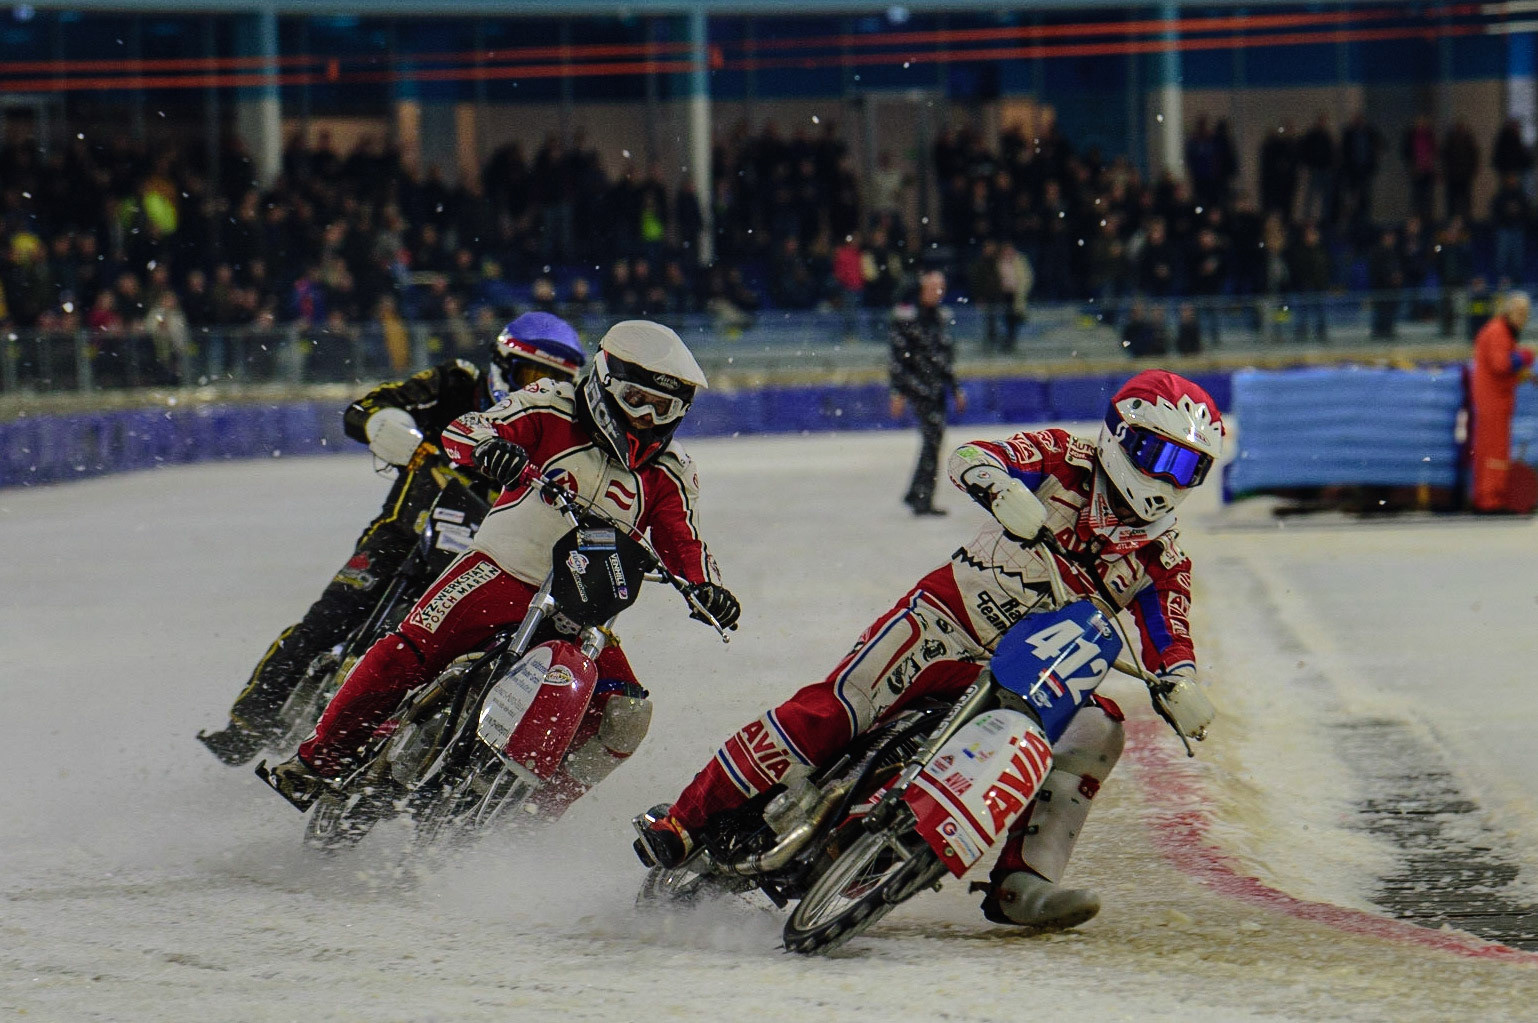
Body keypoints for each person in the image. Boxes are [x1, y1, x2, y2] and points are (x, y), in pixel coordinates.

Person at [636, 370, 1223, 933]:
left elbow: (1171, 639)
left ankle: (1025, 880)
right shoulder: (1065, 458)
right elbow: (972, 456)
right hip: (947, 622)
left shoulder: (1161, 558)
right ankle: (686, 820)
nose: (1169, 480)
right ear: (1121, 434)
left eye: (1189, 467)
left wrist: (1183, 683)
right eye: (1158, 456)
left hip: (1033, 676)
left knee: (1100, 732)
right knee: (837, 711)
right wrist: (996, 487)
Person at [263, 320, 742, 811]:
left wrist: (707, 588)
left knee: (625, 715)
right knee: (405, 653)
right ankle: (318, 759)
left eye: (663, 408)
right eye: (637, 399)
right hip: (500, 570)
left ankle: (536, 812)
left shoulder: (671, 470)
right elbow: (467, 429)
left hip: (582, 609)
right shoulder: (552, 403)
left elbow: (683, 539)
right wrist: (490, 448)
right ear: (604, 382)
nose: (646, 417)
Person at [197, 313, 588, 766]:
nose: (535, 388)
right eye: (531, 374)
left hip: (487, 558)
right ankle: (250, 722)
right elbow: (367, 407)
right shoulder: (456, 383)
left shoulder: (557, 429)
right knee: (328, 619)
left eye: (551, 380)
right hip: (403, 533)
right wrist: (388, 427)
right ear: (503, 362)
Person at [890, 270, 966, 516]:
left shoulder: (939, 318)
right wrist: (898, 391)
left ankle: (918, 493)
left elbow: (944, 358)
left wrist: (955, 388)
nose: (938, 292)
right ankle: (921, 497)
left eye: (941, 288)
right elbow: (899, 358)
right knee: (932, 439)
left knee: (933, 441)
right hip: (918, 387)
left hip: (936, 388)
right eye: (934, 287)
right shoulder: (907, 317)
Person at [1470, 292, 1535, 513]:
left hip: (1496, 399)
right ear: (1509, 311)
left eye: (1525, 314)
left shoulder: (1502, 331)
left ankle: (1485, 496)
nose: (1523, 318)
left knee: (1489, 449)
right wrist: (1524, 357)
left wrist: (1523, 371)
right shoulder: (1498, 331)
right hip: (1493, 400)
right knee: (1495, 450)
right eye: (1520, 313)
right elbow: (1501, 365)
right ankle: (1491, 500)